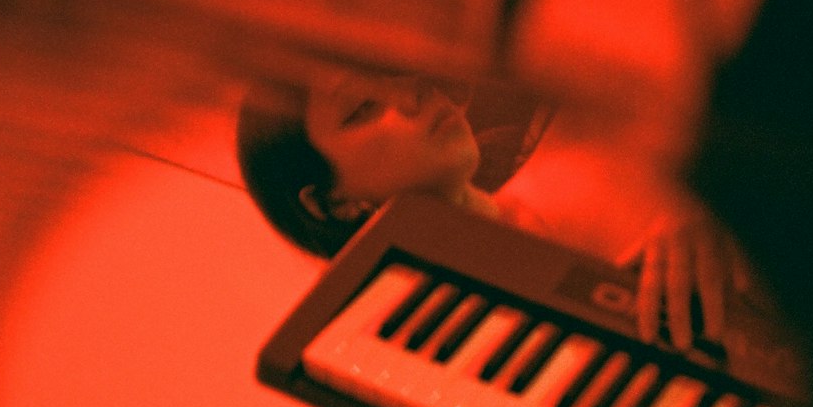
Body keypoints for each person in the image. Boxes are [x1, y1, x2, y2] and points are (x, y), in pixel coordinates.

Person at [237, 64, 752, 350]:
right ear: (335, 204)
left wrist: (735, 218)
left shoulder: (588, 158)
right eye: (363, 109)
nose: (415, 93)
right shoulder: (440, 366)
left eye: (392, 73)